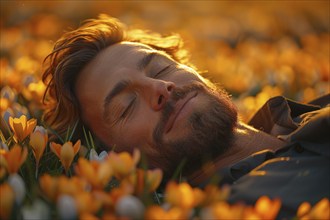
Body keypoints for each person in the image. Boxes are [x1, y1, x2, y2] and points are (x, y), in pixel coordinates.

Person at [42, 14, 329, 218]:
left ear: (192, 69)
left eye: (161, 69)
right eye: (127, 106)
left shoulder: (301, 112)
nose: (160, 87)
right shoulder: (242, 209)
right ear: (113, 160)